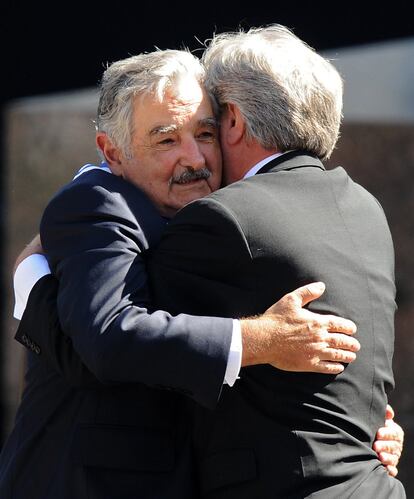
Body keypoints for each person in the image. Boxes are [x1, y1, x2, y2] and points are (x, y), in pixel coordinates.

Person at [0, 49, 363, 499]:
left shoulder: (228, 216)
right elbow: (107, 340)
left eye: (204, 134)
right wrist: (264, 340)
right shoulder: (98, 203)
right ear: (113, 152)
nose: (194, 158)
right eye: (166, 140)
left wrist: (369, 432)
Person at [147, 25, 406, 497]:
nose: (196, 150)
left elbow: (116, 339)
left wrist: (41, 264)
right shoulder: (367, 209)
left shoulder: (223, 218)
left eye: (206, 125)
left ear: (235, 123)